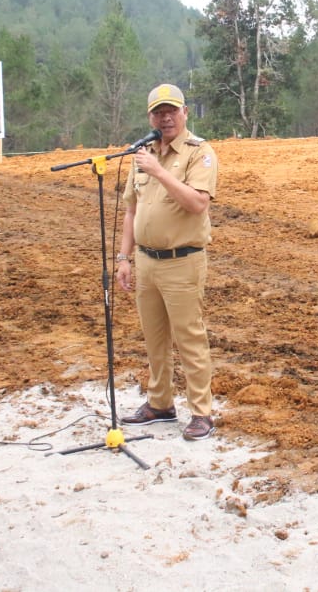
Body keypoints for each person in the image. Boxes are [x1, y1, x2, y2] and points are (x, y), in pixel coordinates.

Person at [114, 83, 219, 441]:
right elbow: (131, 210)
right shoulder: (142, 154)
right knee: (154, 338)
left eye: (172, 110)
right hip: (146, 261)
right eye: (159, 112)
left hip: (182, 261)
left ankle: (201, 412)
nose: (166, 117)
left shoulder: (198, 153)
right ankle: (160, 402)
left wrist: (159, 171)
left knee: (190, 337)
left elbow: (197, 203)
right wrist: (123, 257)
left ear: (184, 112)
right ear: (150, 117)